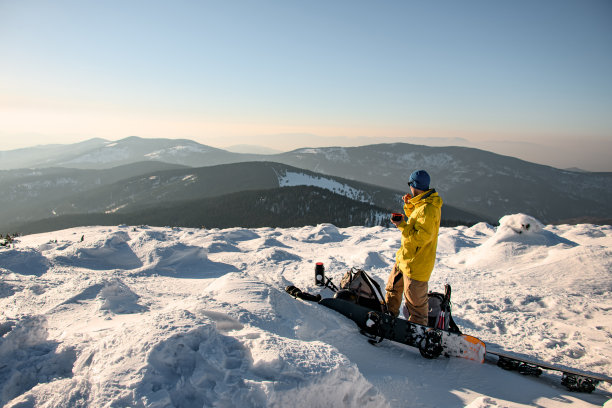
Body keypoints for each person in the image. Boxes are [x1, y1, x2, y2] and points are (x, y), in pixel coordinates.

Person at [386, 170, 443, 325]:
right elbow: (417, 220)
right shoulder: (423, 203)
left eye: (410, 184)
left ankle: (419, 332)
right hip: (405, 258)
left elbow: (422, 237)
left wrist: (402, 225)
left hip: (417, 264)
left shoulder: (428, 208)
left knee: (416, 305)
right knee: (393, 289)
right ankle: (388, 316)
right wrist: (409, 205)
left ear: (414, 185)